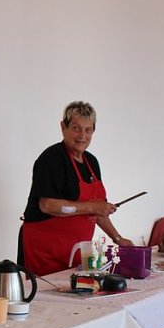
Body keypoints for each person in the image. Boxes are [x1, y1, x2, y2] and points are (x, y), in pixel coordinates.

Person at [19, 101, 133, 276]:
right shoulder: (51, 159)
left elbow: (98, 211)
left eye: (88, 130)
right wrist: (93, 207)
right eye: (76, 128)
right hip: (45, 251)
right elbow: (47, 205)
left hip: (73, 251)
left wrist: (118, 238)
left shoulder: (91, 162)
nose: (82, 135)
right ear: (63, 127)